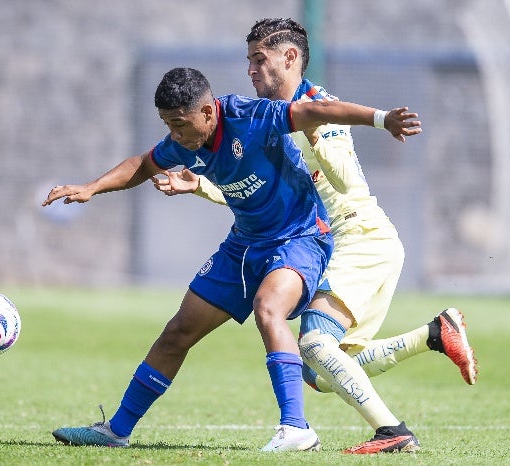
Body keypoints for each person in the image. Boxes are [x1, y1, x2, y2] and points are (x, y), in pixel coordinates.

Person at [43, 66, 421, 452]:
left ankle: (297, 429)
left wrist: (382, 119)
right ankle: (116, 432)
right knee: (178, 331)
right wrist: (91, 188)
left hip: (300, 237)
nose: (174, 134)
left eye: (179, 123)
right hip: (243, 246)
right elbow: (143, 164)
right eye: (167, 124)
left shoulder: (251, 117)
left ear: (208, 113)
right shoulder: (184, 142)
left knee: (268, 307)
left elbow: (319, 111)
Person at [152, 18, 476, 454]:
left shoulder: (318, 107)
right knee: (320, 370)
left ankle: (393, 432)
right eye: (248, 60)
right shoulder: (266, 118)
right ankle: (434, 334)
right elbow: (261, 194)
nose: (250, 70)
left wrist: (318, 134)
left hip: (360, 238)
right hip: (329, 243)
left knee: (315, 342)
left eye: (258, 59)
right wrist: (201, 185)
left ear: (290, 58)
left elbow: (343, 178)